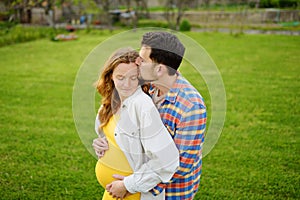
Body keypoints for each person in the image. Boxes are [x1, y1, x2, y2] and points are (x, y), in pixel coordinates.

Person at [94, 31, 207, 199]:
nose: (137, 61)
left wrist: (130, 185)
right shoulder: (146, 84)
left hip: (171, 193)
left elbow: (179, 165)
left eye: (143, 59)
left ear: (159, 69)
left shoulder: (191, 107)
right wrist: (107, 144)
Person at [92, 47, 179, 200]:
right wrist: (100, 144)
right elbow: (113, 138)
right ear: (110, 76)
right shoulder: (110, 103)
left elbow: (167, 161)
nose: (127, 84)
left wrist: (127, 185)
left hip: (134, 194)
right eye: (120, 77)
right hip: (113, 193)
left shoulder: (142, 105)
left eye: (133, 78)